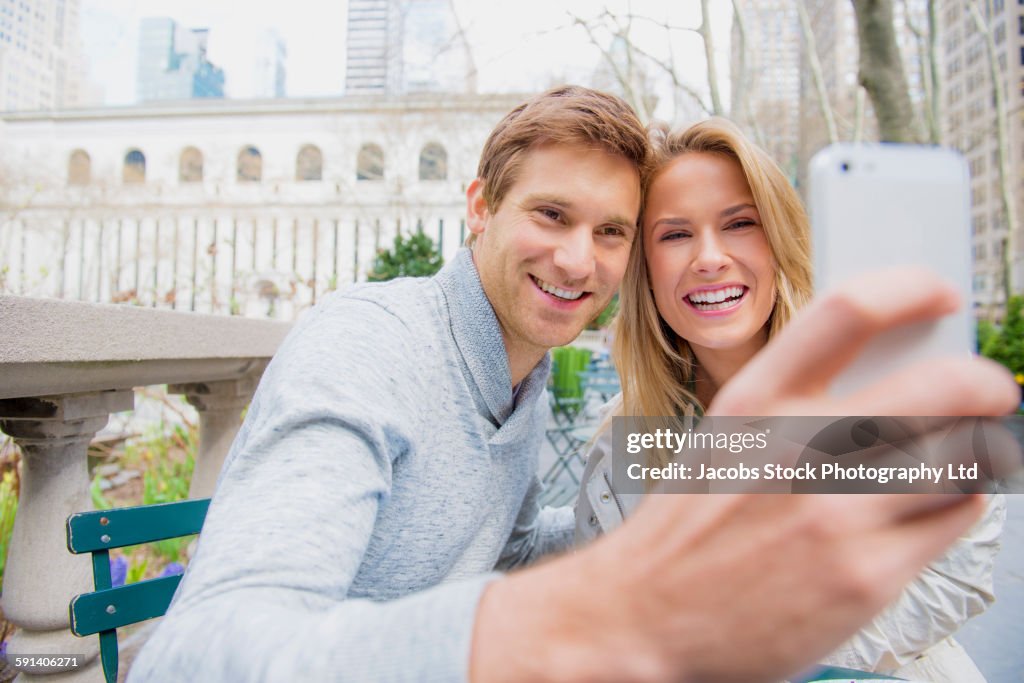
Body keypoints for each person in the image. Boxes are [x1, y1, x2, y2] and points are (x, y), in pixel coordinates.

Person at [130, 87, 1018, 683]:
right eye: (552, 214)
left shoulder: (544, 394)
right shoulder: (370, 346)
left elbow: (523, 542)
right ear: (480, 207)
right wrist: (635, 611)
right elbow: (192, 657)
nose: (575, 257)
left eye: (610, 232)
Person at [576, 118, 1007, 682]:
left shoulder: (882, 387)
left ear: (779, 240)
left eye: (739, 223)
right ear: (646, 272)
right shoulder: (623, 445)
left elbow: (957, 576)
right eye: (675, 234)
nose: (709, 257)